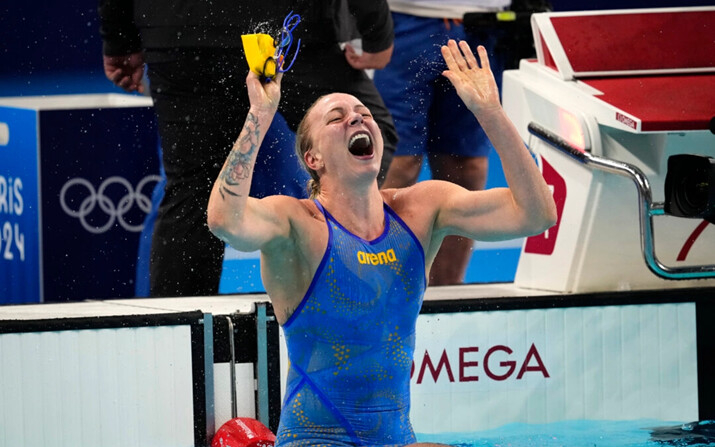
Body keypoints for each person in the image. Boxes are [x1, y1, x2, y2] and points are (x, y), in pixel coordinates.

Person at [207, 39, 556, 446]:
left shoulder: (421, 209)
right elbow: (224, 220)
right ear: (312, 158)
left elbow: (536, 214)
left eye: (364, 113)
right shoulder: (297, 224)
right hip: (317, 439)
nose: (357, 120)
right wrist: (260, 114)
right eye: (337, 117)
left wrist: (490, 113)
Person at [98, 0, 398, 297]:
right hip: (289, 28)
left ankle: (179, 334)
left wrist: (119, 40)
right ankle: (346, 296)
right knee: (362, 142)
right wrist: (376, 33)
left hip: (181, 32)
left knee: (190, 193)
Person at [372, 0, 509, 285]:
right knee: (397, 163)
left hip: (483, 24)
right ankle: (376, 288)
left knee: (465, 166)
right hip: (405, 19)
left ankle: (447, 292)